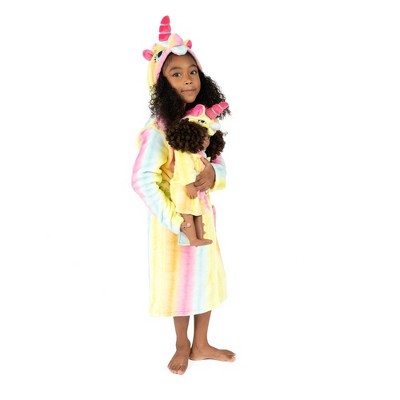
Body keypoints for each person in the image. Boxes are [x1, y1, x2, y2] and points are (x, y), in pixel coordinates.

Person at [131, 15, 235, 375]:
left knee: (207, 277)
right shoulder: (158, 130)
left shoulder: (202, 122)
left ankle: (201, 343)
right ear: (162, 84)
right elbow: (143, 179)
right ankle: (181, 343)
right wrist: (176, 220)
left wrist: (213, 175)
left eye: (193, 72)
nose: (188, 79)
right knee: (179, 282)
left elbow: (216, 161)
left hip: (203, 214)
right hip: (175, 221)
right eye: (176, 74)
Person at [166, 102, 228, 247]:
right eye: (204, 136)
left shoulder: (200, 154)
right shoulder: (184, 154)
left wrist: (211, 172)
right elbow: (184, 170)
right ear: (192, 136)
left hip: (196, 191)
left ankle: (200, 237)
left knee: (198, 213)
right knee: (187, 214)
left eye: (208, 137)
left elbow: (213, 168)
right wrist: (189, 185)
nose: (207, 140)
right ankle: (192, 239)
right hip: (184, 189)